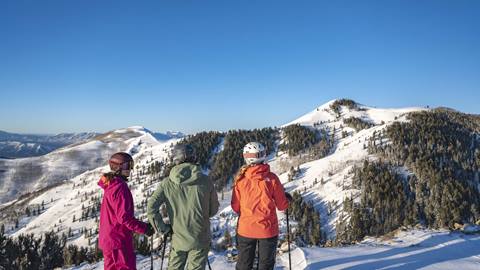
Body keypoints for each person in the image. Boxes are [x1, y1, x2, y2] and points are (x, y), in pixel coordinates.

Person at [147, 144, 219, 270]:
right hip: (200, 237)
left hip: (178, 238)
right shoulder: (206, 181)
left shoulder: (167, 183)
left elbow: (151, 208)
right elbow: (213, 210)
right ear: (194, 158)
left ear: (176, 159)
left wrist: (163, 229)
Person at [231, 142, 291, 270]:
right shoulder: (272, 179)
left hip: (246, 228)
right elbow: (282, 206)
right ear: (263, 156)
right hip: (267, 229)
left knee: (244, 264)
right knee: (266, 265)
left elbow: (235, 207)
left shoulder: (240, 180)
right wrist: (287, 200)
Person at [98, 152, 154, 270]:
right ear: (117, 167)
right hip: (118, 241)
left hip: (110, 240)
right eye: (126, 166)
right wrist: (145, 228)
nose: (130, 169)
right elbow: (124, 218)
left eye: (131, 165)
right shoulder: (119, 187)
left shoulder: (111, 184)